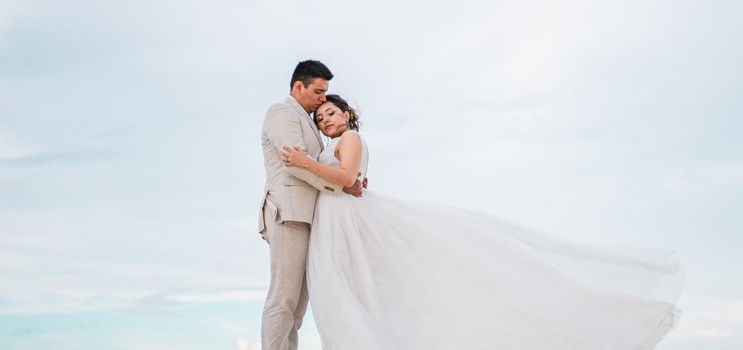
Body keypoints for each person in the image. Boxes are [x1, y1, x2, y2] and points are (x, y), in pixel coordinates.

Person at [282, 94, 683, 350]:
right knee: (361, 293)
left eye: (330, 112)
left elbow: (348, 179)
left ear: (348, 113)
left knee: (361, 291)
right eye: (319, 118)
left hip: (350, 220)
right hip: (341, 218)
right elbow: (348, 181)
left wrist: (304, 163)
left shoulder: (349, 139)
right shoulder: (337, 145)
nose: (325, 121)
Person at [259, 60, 365, 350]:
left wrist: (345, 178)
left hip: (312, 217)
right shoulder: (281, 112)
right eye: (318, 92)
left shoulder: (311, 123)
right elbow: (293, 163)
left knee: (297, 308)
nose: (322, 98)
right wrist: (341, 184)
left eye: (326, 93)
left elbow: (321, 165)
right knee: (283, 299)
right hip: (289, 213)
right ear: (298, 86)